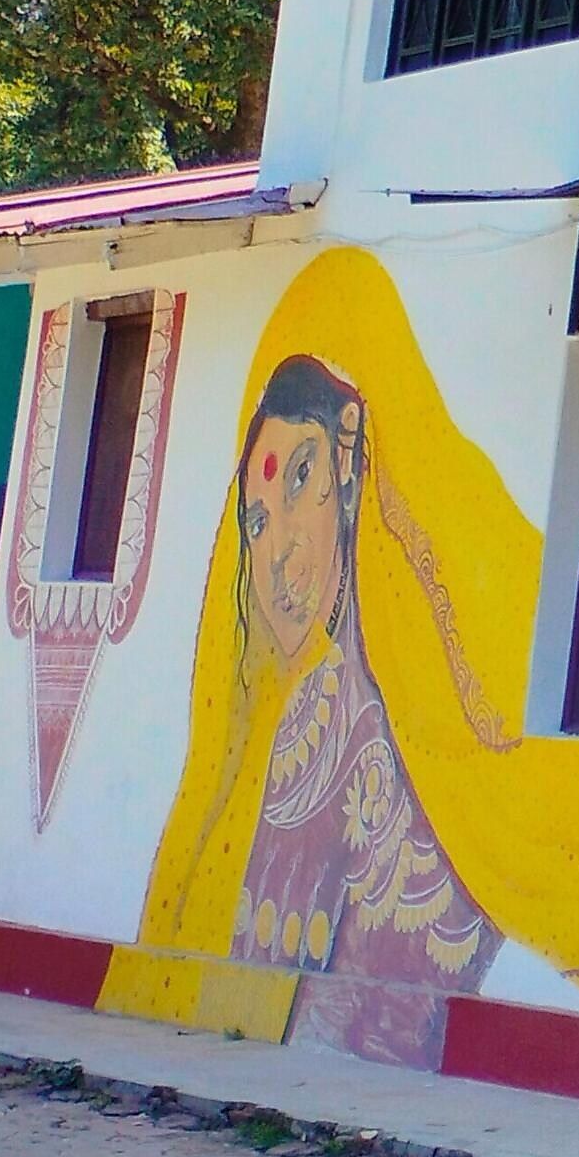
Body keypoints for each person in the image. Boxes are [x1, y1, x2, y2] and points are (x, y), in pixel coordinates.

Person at [220, 354, 496, 1063]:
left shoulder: (428, 709)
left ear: (349, 460)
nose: (278, 550)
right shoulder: (300, 726)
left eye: (300, 477)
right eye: (255, 521)